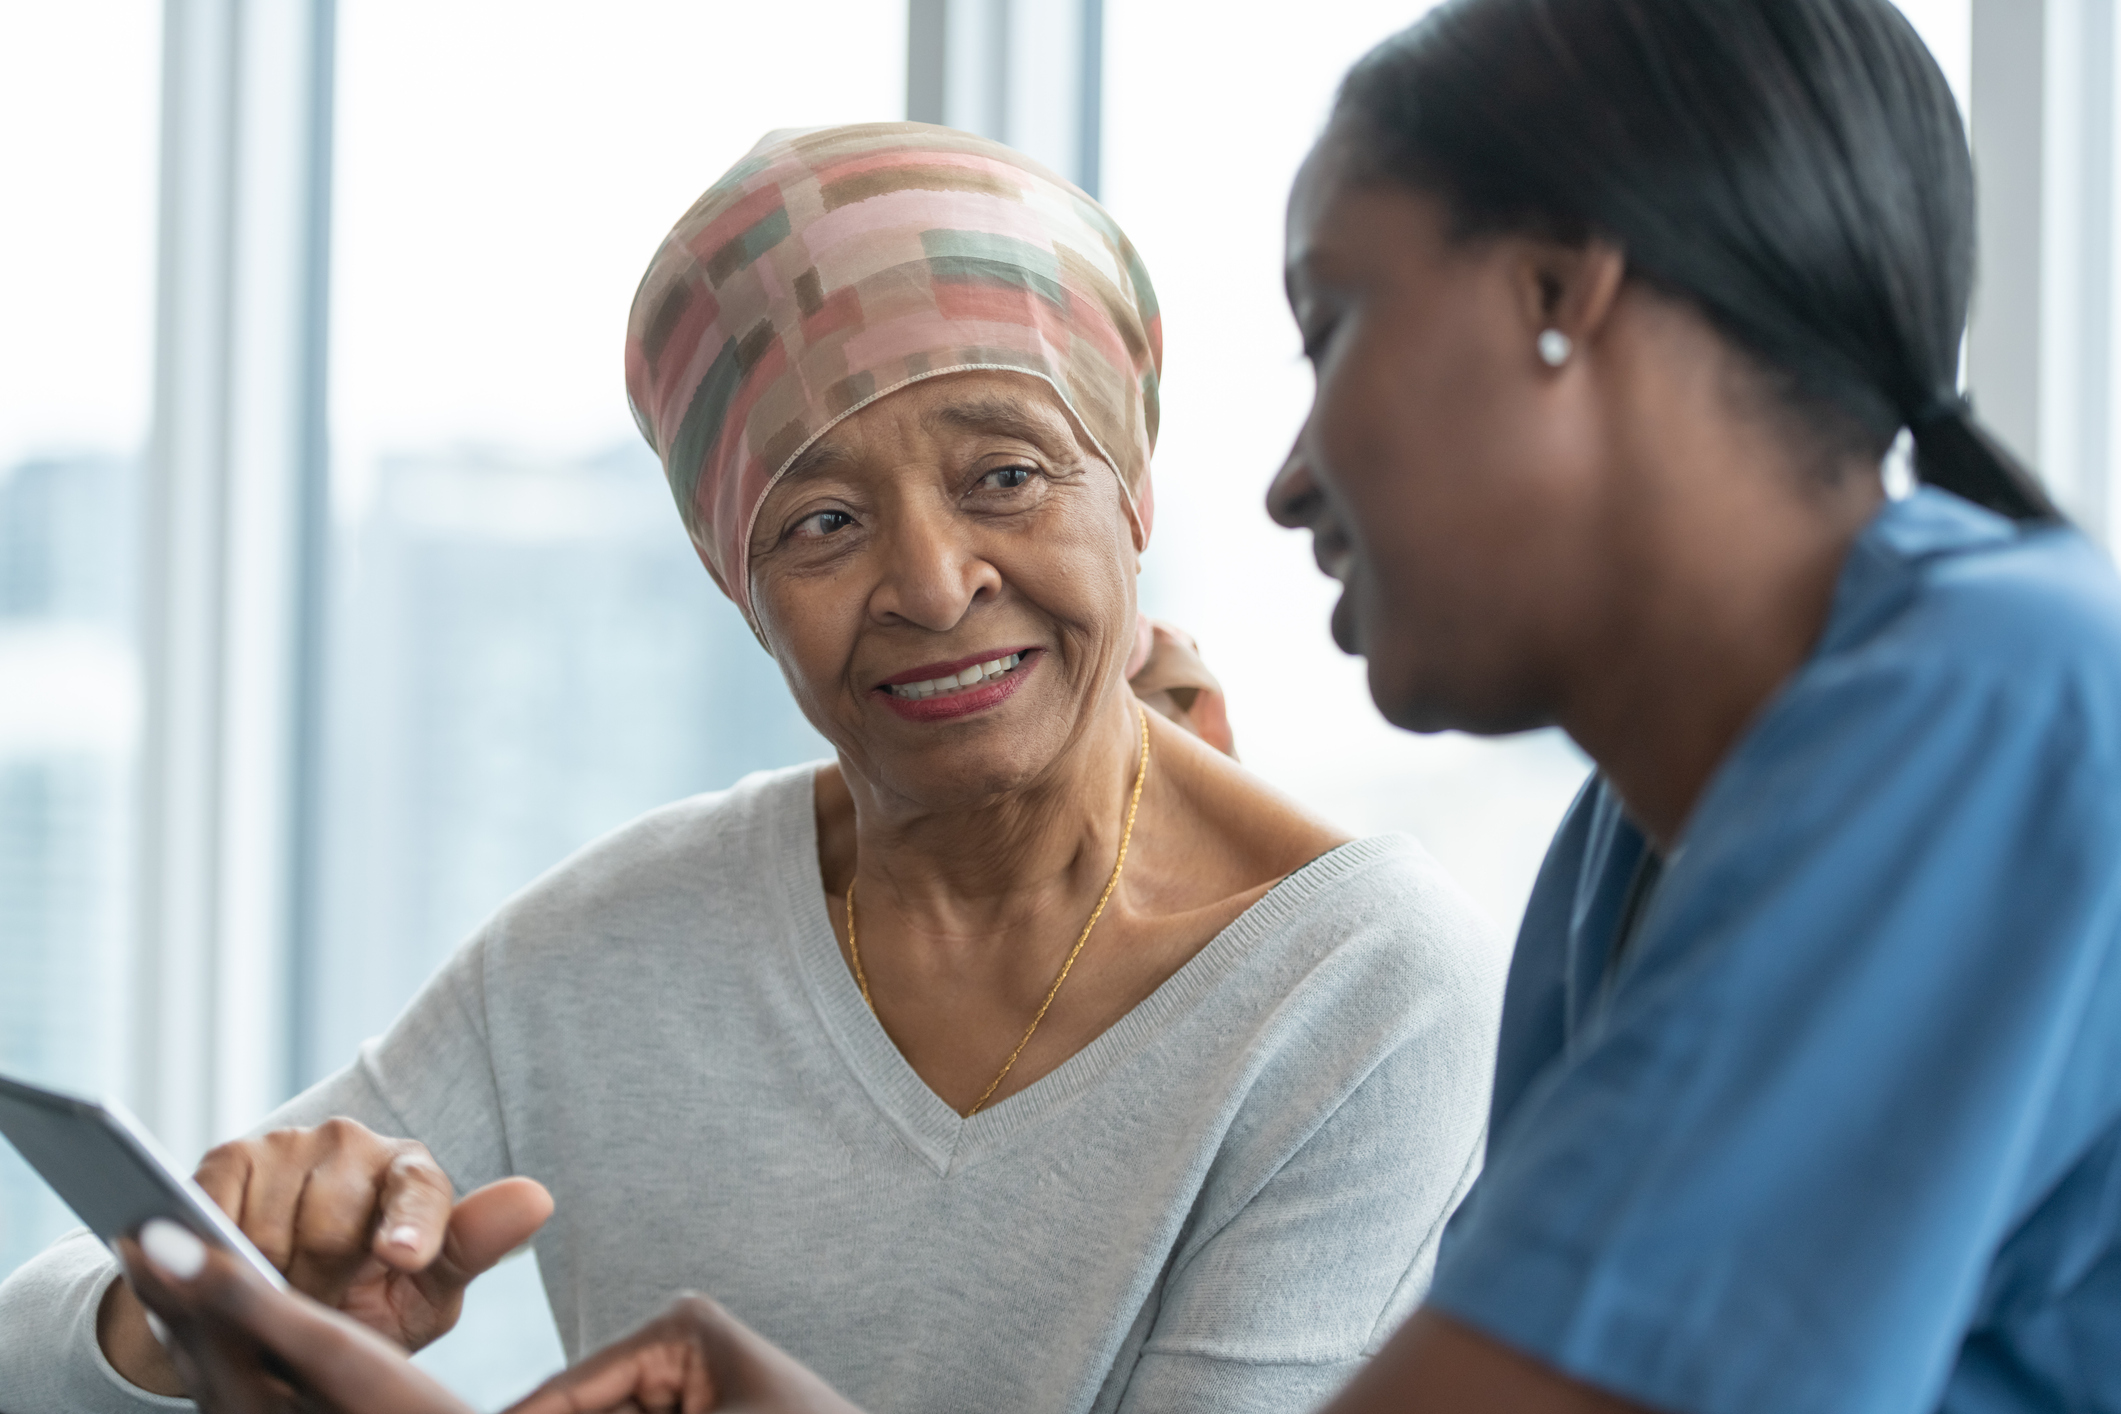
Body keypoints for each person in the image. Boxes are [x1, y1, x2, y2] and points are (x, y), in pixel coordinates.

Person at [88, 0, 2121, 1410]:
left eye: (1331, 324)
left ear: (1554, 296)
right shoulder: (1637, 849)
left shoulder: (1975, 714)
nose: (1288, 469)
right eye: (813, 517)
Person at [0, 122, 1506, 1414]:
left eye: (1004, 475)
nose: (928, 582)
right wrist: (188, 1309)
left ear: (1130, 488)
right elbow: (25, 1341)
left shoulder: (1357, 978)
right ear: (739, 588)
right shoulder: (608, 947)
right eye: (820, 524)